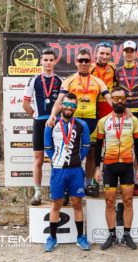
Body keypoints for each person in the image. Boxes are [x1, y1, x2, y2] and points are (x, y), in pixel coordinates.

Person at [47, 48, 113, 197]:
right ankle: (64, 188)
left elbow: (109, 99)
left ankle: (89, 183)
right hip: (72, 121)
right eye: (80, 60)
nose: (83, 63)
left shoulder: (98, 81)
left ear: (91, 63)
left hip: (91, 121)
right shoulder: (69, 80)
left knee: (91, 153)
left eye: (86, 61)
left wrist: (122, 112)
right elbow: (59, 101)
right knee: (68, 151)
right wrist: (52, 115)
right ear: (76, 63)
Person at [94, 87, 138, 250]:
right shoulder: (103, 121)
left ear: (126, 100)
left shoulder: (133, 120)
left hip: (127, 166)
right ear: (112, 101)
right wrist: (96, 168)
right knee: (109, 202)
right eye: (115, 98)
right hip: (109, 166)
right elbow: (98, 146)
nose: (119, 101)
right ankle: (112, 235)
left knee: (128, 201)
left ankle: (127, 235)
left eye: (122, 98)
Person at [43, 93, 91, 252]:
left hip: (76, 170)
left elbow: (86, 146)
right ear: (61, 105)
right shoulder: (51, 124)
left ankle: (80, 237)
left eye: (72, 106)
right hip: (58, 170)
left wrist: (76, 159)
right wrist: (57, 159)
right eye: (67, 105)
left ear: (75, 108)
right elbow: (48, 147)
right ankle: (52, 238)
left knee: (77, 203)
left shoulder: (82, 125)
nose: (69, 108)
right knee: (56, 203)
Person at [22, 48, 62, 206]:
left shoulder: (59, 80)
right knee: (38, 160)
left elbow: (62, 102)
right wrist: (35, 115)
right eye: (45, 60)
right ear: (41, 61)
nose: (48, 63)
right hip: (39, 123)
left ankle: (55, 191)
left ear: (54, 61)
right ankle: (37, 193)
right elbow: (25, 104)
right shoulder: (33, 80)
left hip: (55, 123)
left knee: (56, 159)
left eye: (51, 60)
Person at [115, 40, 138, 196]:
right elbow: (113, 92)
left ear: (136, 53)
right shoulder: (117, 72)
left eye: (132, 50)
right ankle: (123, 179)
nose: (129, 53)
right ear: (122, 53)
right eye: (126, 50)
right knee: (121, 145)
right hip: (122, 112)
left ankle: (136, 182)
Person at [90, 41, 117, 119]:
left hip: (108, 103)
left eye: (107, 54)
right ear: (96, 54)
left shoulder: (113, 67)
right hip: (93, 103)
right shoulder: (90, 68)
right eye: (102, 53)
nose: (104, 56)